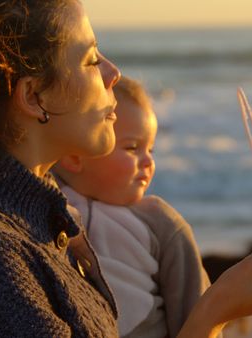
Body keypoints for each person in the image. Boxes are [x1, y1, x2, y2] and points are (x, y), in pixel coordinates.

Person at [0, 1, 252, 337]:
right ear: (33, 97)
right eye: (89, 59)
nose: (112, 72)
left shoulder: (20, 209)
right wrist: (213, 313)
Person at [54, 76, 211, 337]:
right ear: (74, 156)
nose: (148, 161)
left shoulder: (161, 223)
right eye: (133, 147)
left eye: (151, 149)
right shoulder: (46, 202)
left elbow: (195, 311)